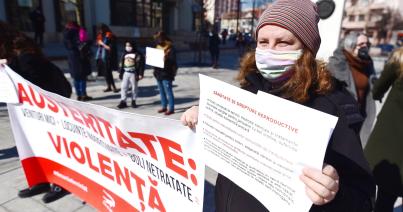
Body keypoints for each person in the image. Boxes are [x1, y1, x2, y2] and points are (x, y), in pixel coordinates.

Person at [181, 0, 375, 211]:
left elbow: (363, 198)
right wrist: (207, 116)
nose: (270, 51)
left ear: (306, 49)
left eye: (283, 42)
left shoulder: (332, 105)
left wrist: (334, 192)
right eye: (263, 42)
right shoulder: (249, 88)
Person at [0, 21, 71, 204]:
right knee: (36, 145)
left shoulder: (25, 57)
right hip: (34, 112)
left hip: (52, 108)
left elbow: (36, 85)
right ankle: (41, 180)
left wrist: (9, 68)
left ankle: (60, 182)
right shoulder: (17, 55)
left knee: (51, 146)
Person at [364, 47, 403, 212]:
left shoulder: (399, 59)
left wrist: (377, 94)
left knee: (385, 195)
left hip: (391, 135)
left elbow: (377, 89)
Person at [327, 32, 377, 146]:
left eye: (367, 44)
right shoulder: (336, 64)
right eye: (361, 44)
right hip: (342, 116)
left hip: (361, 115)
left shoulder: (367, 64)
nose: (365, 47)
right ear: (350, 45)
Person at [63, 21, 92, 101]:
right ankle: (83, 94)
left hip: (72, 57)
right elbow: (85, 42)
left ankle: (78, 95)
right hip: (80, 56)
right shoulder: (78, 31)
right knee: (82, 76)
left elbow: (68, 45)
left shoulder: (66, 33)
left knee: (76, 77)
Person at [153, 31, 178, 116]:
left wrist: (166, 59)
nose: (158, 41)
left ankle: (171, 108)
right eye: (157, 39)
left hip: (167, 73)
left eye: (160, 39)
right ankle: (164, 106)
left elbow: (173, 61)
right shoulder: (157, 47)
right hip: (158, 73)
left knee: (168, 91)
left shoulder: (170, 48)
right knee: (161, 91)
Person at [117, 41, 145, 109]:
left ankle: (133, 101)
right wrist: (120, 73)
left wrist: (140, 74)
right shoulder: (124, 54)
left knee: (134, 88)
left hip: (133, 73)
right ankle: (123, 101)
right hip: (126, 73)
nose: (128, 47)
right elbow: (121, 64)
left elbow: (141, 65)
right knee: (124, 87)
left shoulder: (137, 54)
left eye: (129, 46)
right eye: (126, 46)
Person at [95, 23, 119, 93]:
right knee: (105, 73)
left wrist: (102, 43)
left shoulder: (110, 36)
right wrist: (98, 43)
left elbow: (110, 48)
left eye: (101, 30)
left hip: (108, 57)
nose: (100, 31)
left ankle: (114, 87)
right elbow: (98, 44)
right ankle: (109, 86)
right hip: (100, 57)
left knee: (109, 72)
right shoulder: (100, 36)